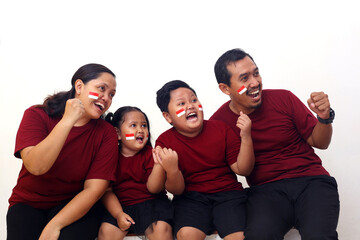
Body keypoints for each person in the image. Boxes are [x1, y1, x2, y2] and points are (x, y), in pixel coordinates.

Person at [211, 48, 340, 239]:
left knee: (319, 236)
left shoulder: (284, 98)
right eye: (245, 78)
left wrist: (324, 118)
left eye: (256, 73)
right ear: (225, 88)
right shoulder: (219, 123)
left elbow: (320, 142)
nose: (255, 82)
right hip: (265, 192)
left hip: (311, 182)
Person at [7, 63, 119, 240]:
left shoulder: (106, 133)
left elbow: (94, 190)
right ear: (79, 86)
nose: (106, 98)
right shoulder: (37, 114)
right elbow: (36, 167)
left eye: (111, 94)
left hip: (74, 203)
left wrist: (55, 225)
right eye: (101, 89)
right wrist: (68, 120)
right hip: (28, 203)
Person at [154, 80, 254, 240]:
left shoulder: (221, 129)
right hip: (190, 199)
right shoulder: (164, 142)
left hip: (228, 195)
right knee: (187, 235)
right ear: (167, 117)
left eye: (194, 100)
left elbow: (243, 169)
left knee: (238, 236)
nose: (190, 106)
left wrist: (246, 137)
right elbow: (177, 190)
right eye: (181, 103)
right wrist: (172, 169)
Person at [98, 106, 174, 240]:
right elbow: (107, 191)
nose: (141, 130)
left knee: (162, 230)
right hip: (120, 206)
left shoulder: (151, 154)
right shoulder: (110, 157)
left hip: (152, 204)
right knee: (106, 232)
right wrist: (118, 214)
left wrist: (158, 166)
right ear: (118, 134)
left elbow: (155, 188)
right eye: (133, 125)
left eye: (144, 126)